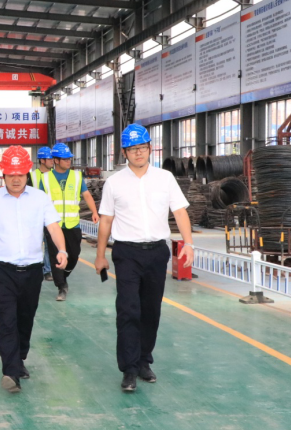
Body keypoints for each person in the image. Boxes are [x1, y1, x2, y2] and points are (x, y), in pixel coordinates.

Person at [94, 124, 194, 393]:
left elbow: (180, 212)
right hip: (127, 253)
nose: (138, 153)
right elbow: (106, 220)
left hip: (157, 253)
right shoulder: (114, 183)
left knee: (151, 310)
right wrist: (100, 255)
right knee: (128, 309)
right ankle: (128, 368)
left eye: (142, 147)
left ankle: (143, 361)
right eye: (132, 149)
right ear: (124, 152)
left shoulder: (165, 178)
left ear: (150, 148)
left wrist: (189, 243)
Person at [0, 146, 67, 394]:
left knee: (25, 319)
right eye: (11, 174)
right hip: (2, 271)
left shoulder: (40, 198)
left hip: (32, 271)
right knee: (7, 322)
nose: (16, 179)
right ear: (3, 175)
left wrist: (62, 250)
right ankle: (11, 372)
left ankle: (19, 358)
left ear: (27, 174)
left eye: (20, 174)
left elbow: (53, 227)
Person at [39, 143, 99, 302]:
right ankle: (61, 286)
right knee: (55, 256)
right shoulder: (45, 179)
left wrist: (94, 212)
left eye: (69, 158)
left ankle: (63, 276)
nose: (68, 161)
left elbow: (86, 195)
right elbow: (38, 201)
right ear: (56, 160)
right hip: (53, 226)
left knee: (73, 255)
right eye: (65, 159)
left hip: (73, 224)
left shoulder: (77, 176)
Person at [28, 146, 55, 282]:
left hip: (50, 215)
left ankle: (47, 270)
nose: (52, 161)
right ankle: (34, 267)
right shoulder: (32, 176)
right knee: (34, 243)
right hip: (34, 215)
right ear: (42, 160)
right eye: (50, 159)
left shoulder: (55, 175)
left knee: (50, 244)